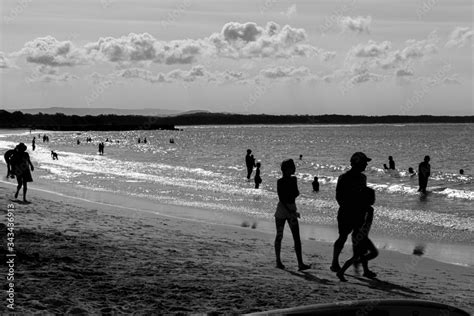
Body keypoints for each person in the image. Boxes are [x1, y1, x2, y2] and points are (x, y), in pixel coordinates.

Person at [330, 152, 371, 273]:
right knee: (343, 237)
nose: (366, 165)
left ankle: (365, 269)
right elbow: (339, 197)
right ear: (358, 163)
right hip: (347, 213)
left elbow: (364, 195)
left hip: (357, 213)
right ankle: (334, 262)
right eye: (364, 163)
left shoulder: (362, 178)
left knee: (359, 240)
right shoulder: (344, 178)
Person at [274, 159, 311, 271]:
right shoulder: (285, 181)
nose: (293, 169)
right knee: (282, 235)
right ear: (287, 169)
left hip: (286, 208)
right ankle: (280, 261)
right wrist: (290, 211)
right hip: (287, 208)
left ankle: (298, 263)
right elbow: (288, 196)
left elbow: (291, 194)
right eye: (291, 167)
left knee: (295, 237)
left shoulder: (284, 181)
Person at [336, 187, 379, 281]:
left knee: (363, 254)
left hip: (359, 235)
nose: (374, 199)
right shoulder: (368, 209)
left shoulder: (360, 208)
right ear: (367, 198)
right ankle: (342, 271)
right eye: (373, 197)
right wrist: (362, 235)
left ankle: (365, 270)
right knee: (364, 254)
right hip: (361, 236)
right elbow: (365, 224)